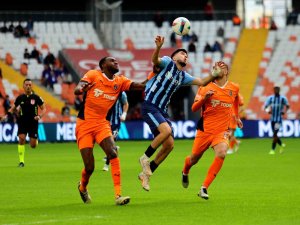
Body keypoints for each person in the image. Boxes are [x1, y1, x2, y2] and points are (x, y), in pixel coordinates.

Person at [138, 35, 222, 192]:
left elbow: (202, 82)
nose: (185, 55)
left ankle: (146, 175)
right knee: (167, 131)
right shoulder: (167, 63)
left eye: (187, 55)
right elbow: (155, 61)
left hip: (161, 111)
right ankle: (144, 158)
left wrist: (214, 74)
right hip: (150, 105)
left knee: (169, 145)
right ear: (174, 57)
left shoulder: (183, 76)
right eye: (182, 53)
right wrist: (158, 47)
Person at [74, 56, 144, 205]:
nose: (116, 62)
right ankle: (82, 187)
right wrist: (81, 89)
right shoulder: (93, 75)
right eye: (112, 61)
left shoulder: (120, 81)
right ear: (103, 65)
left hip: (101, 124)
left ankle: (118, 195)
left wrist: (155, 77)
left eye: (116, 61)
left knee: (113, 153)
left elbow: (140, 85)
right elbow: (78, 88)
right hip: (84, 125)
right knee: (90, 167)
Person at [181, 61, 243, 200]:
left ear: (226, 71)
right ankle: (185, 170)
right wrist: (204, 99)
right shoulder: (205, 86)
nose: (217, 68)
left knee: (221, 153)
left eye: (221, 67)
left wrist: (236, 116)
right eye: (215, 67)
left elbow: (236, 100)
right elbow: (194, 108)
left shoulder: (234, 87)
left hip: (221, 131)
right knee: (194, 159)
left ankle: (204, 187)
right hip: (205, 130)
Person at [0, 79, 46, 167]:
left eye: (30, 85)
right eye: (26, 85)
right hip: (22, 121)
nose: (28, 86)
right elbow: (13, 108)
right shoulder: (20, 98)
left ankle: (35, 141)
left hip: (33, 122)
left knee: (33, 145)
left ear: (32, 86)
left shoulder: (37, 97)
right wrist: (6, 116)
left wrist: (39, 116)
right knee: (21, 139)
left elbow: (44, 108)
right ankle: (21, 162)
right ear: (23, 86)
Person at [103, 91, 129, 171]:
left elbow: (126, 104)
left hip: (116, 122)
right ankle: (114, 149)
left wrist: (124, 114)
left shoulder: (121, 93)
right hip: (105, 121)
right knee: (105, 142)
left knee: (111, 141)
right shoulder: (104, 91)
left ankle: (106, 165)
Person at [264, 85, 289, 155]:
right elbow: (265, 106)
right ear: (273, 90)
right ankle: (281, 144)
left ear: (279, 90)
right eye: (275, 89)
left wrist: (284, 111)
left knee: (275, 134)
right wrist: (267, 111)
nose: (276, 90)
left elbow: (287, 106)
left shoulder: (283, 98)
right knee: (274, 135)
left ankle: (272, 149)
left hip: (278, 120)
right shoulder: (271, 98)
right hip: (272, 120)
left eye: (277, 89)